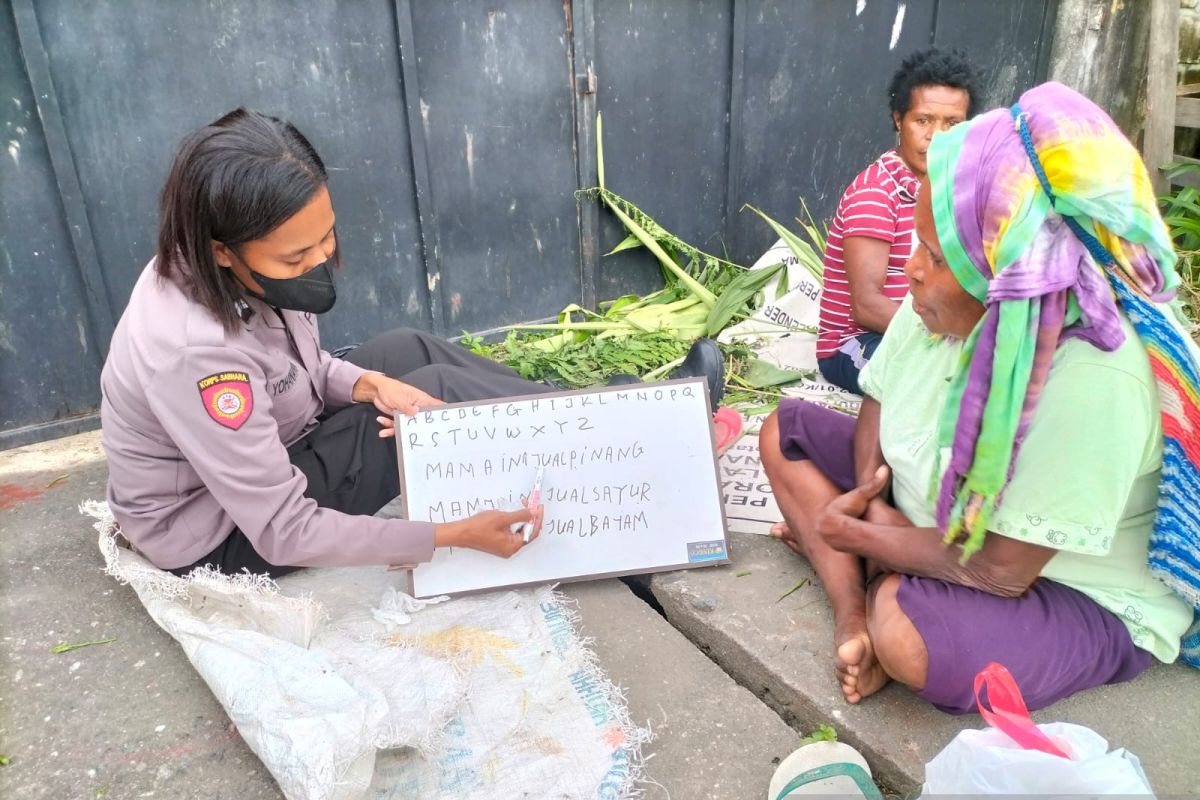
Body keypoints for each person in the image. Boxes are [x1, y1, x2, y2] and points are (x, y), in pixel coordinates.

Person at [100, 108, 723, 579]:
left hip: (269, 449)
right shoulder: (195, 354)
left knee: (409, 350)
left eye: (327, 236)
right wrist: (448, 535)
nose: (323, 259)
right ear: (221, 249)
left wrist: (363, 382)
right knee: (434, 397)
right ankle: (627, 442)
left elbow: (301, 368)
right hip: (223, 532)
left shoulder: (221, 266)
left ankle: (609, 420)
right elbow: (282, 531)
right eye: (298, 254)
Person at [760, 82, 1200, 714]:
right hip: (924, 519)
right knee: (783, 433)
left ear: (1014, 276)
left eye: (934, 256)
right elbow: (878, 400)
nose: (911, 269)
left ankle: (875, 589)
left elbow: (1002, 570)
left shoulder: (1097, 373)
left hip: (1058, 586)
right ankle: (852, 612)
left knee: (909, 637)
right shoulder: (941, 285)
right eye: (920, 244)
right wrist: (869, 500)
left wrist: (857, 534)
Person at [816, 47, 979, 394]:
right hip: (856, 344)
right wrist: (950, 336)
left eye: (952, 124)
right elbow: (866, 306)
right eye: (923, 120)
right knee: (942, 389)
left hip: (924, 328)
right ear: (897, 119)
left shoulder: (955, 192)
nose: (937, 136)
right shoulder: (877, 192)